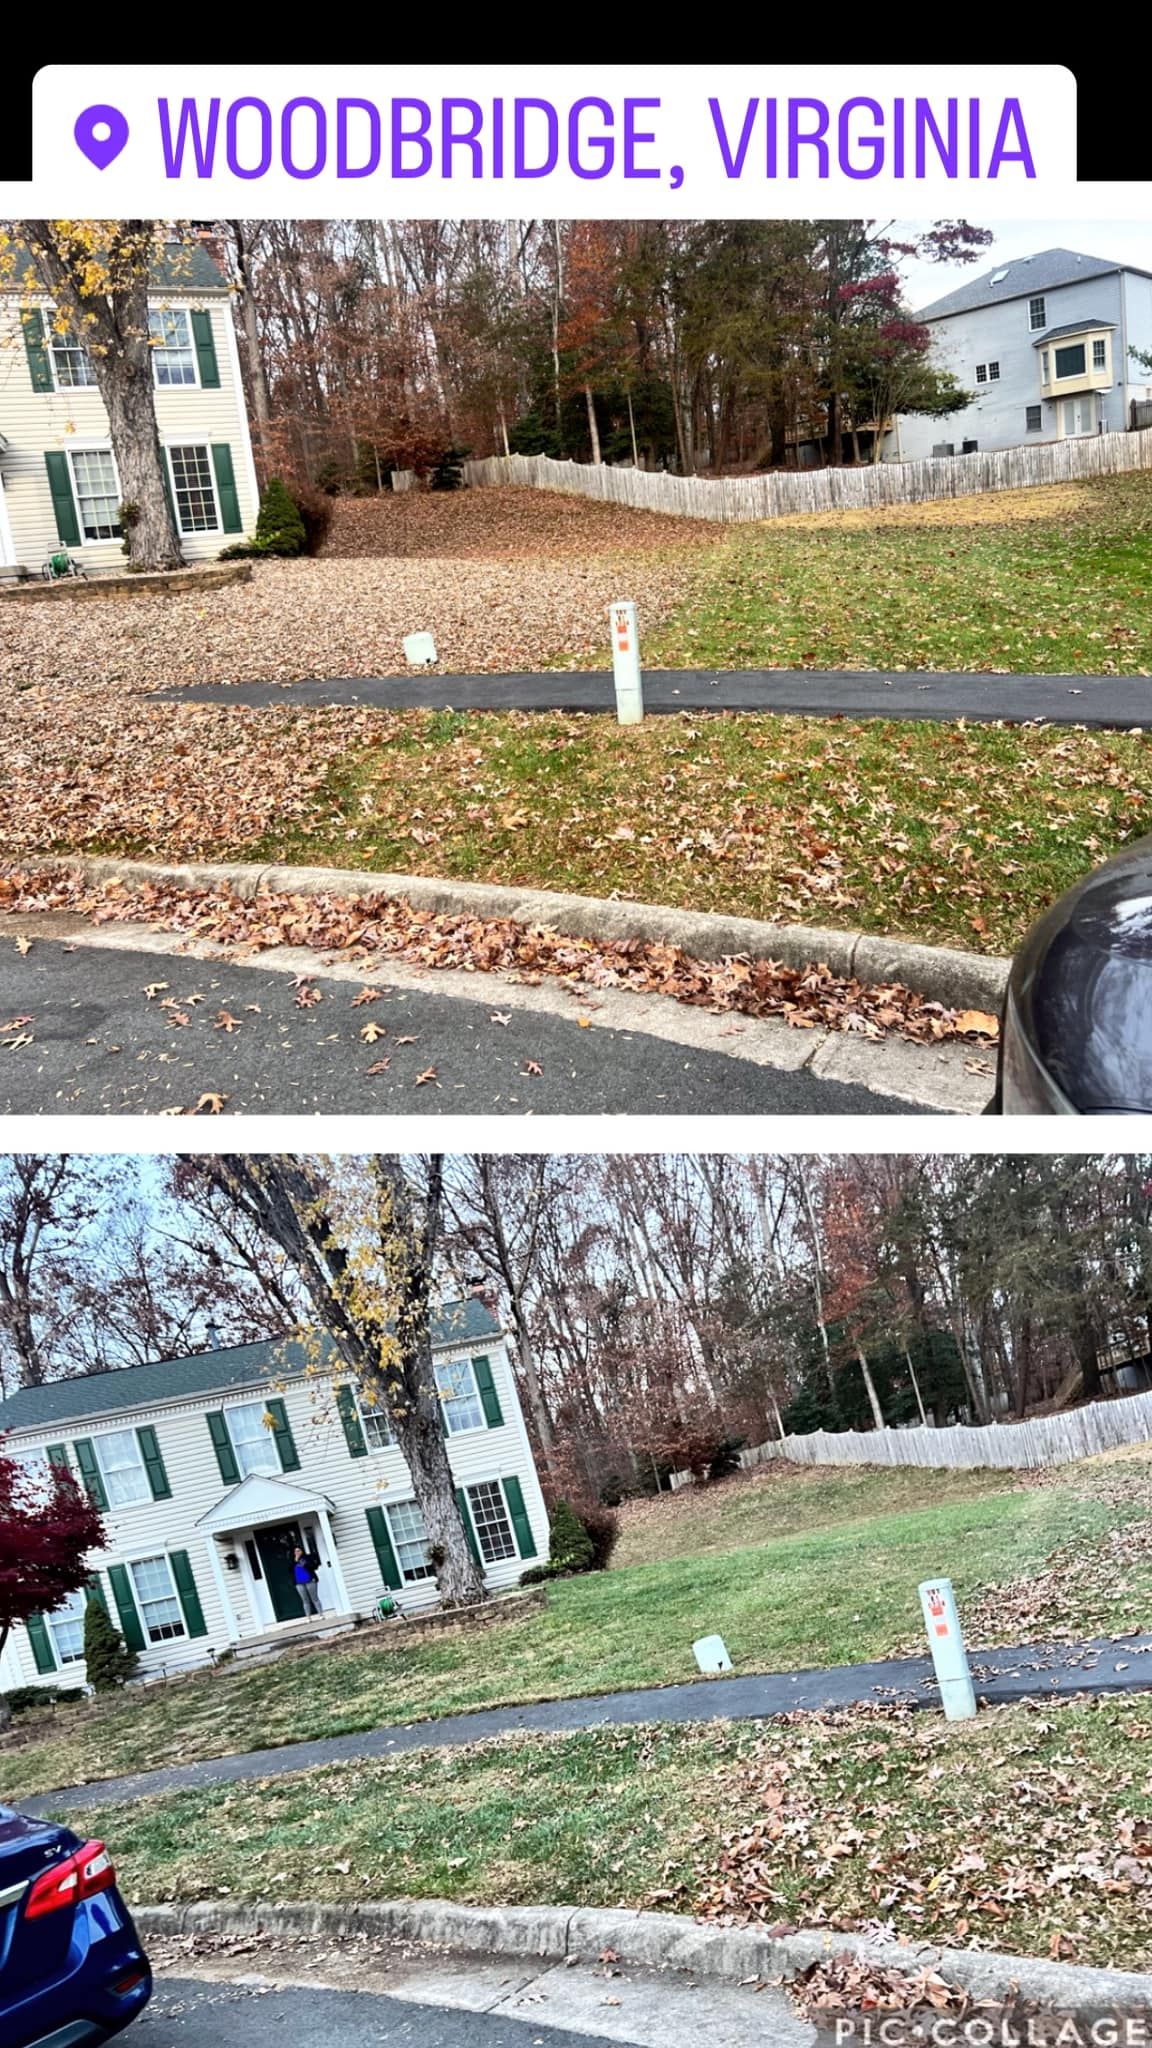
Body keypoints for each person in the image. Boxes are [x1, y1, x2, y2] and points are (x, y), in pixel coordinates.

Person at [293, 1545, 323, 1617]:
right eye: (295, 1551)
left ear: (302, 1551)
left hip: (310, 1580)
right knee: (305, 1600)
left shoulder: (307, 1558)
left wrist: (303, 1563)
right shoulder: (293, 1560)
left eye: (298, 1551)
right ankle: (308, 1617)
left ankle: (321, 1614)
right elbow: (290, 1570)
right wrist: (295, 1561)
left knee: (314, 1598)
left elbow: (313, 1566)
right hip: (299, 1583)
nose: (297, 1552)